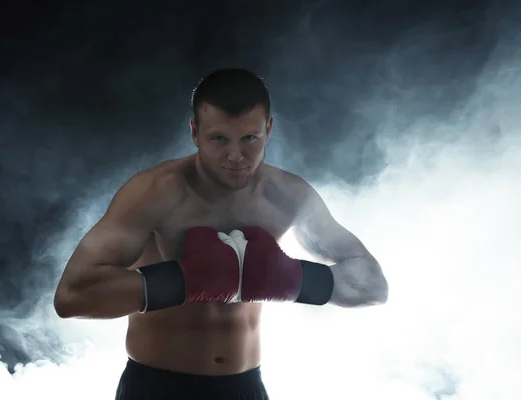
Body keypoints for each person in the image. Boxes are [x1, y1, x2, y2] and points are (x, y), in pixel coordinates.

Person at [53, 68, 389, 399]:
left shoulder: (287, 196)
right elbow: (72, 296)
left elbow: (372, 285)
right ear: (195, 132)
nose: (235, 156)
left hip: (243, 387)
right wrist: (185, 281)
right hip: (157, 386)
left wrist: (293, 279)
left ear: (268, 129)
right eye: (219, 139)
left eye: (249, 138)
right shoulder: (154, 193)